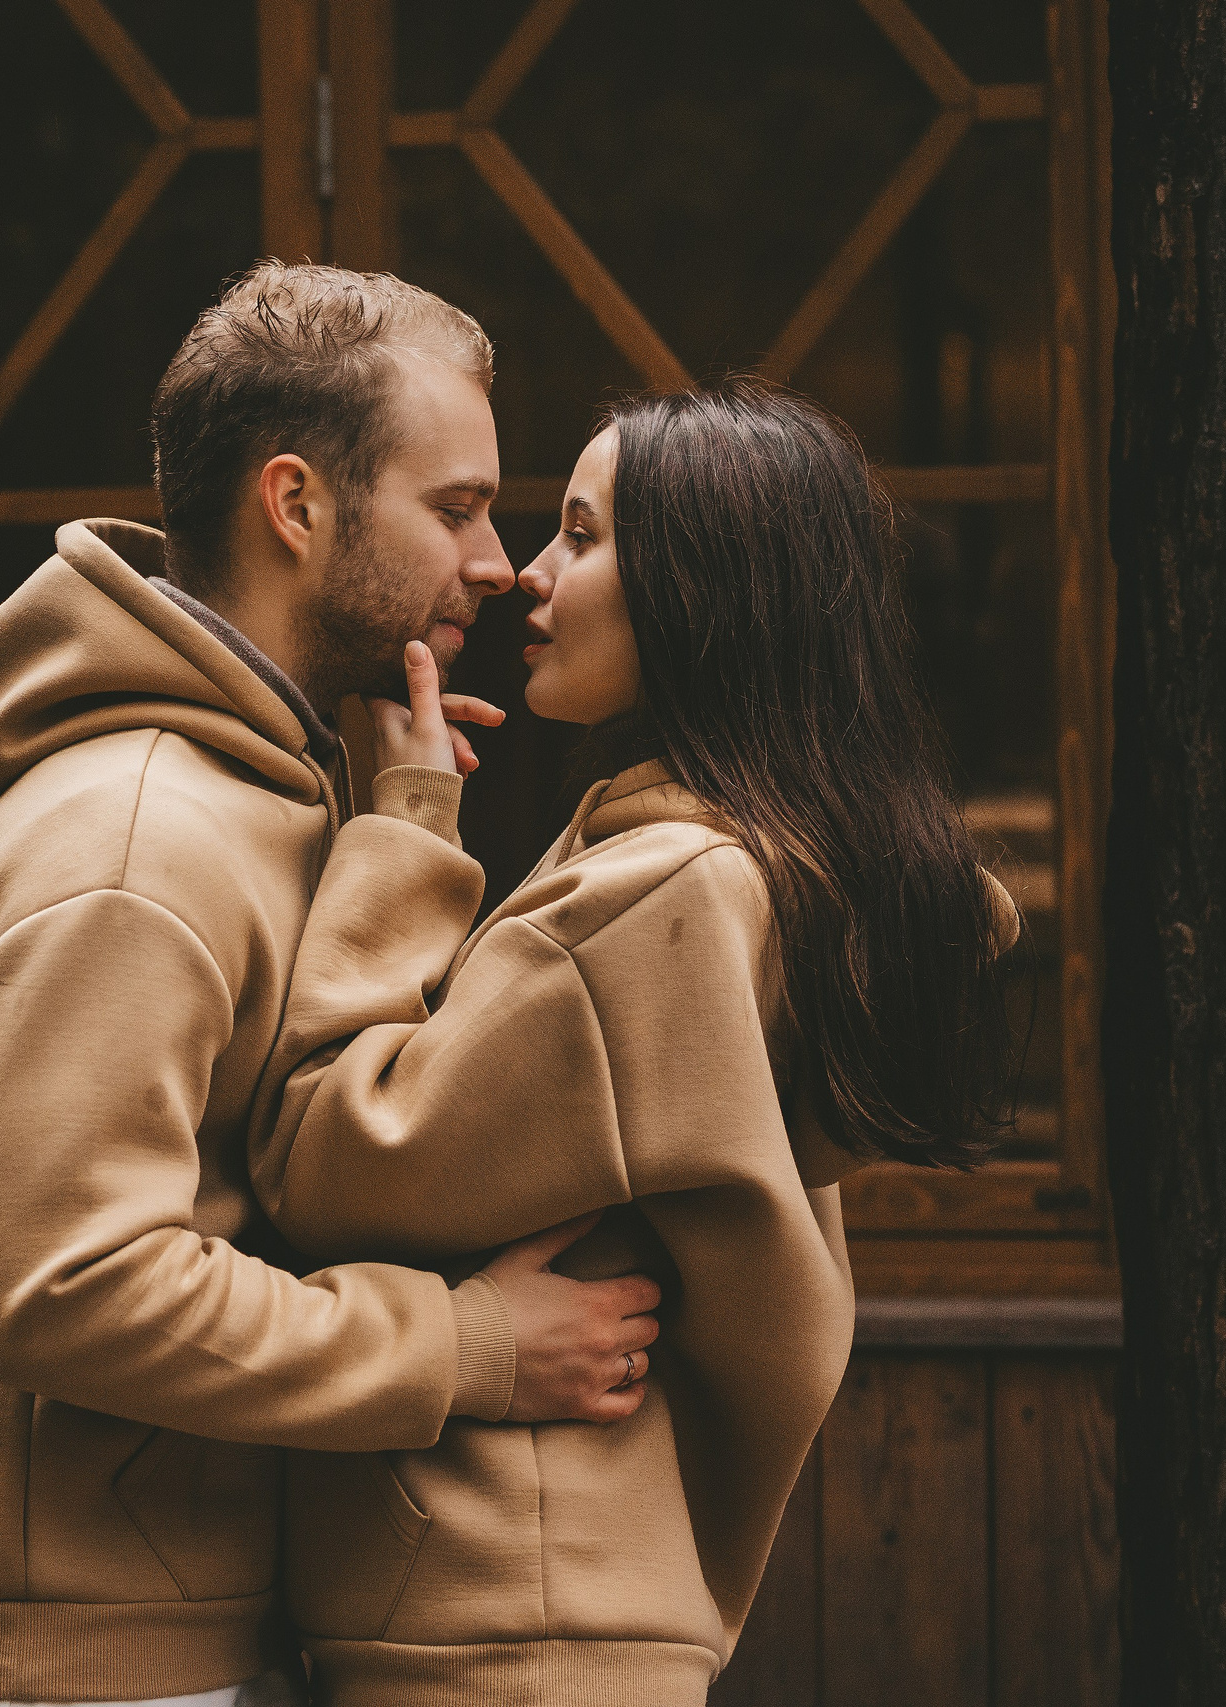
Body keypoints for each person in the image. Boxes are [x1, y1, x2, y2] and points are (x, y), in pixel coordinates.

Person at [0, 264, 662, 1707]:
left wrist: (398, 826)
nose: (498, 560)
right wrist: (464, 1349)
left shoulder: (256, 797)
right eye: (454, 507)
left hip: (140, 1653)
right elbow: (73, 1289)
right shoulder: (136, 842)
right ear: (296, 506)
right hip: (42, 1681)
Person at [248, 383, 1021, 1704]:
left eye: (586, 538)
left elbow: (324, 1154)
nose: (528, 576)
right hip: (582, 1591)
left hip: (499, 1617)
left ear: (706, 590)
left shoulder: (649, 904)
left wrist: (405, 824)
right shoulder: (765, 881)